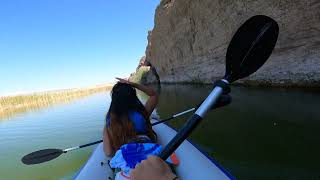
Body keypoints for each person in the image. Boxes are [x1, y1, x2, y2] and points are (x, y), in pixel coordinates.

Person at [103, 78, 159, 156]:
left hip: (128, 160)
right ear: (133, 97)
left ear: (114, 100)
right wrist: (132, 84)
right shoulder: (142, 113)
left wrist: (105, 130)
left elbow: (108, 152)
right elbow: (153, 95)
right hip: (150, 154)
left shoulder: (111, 120)